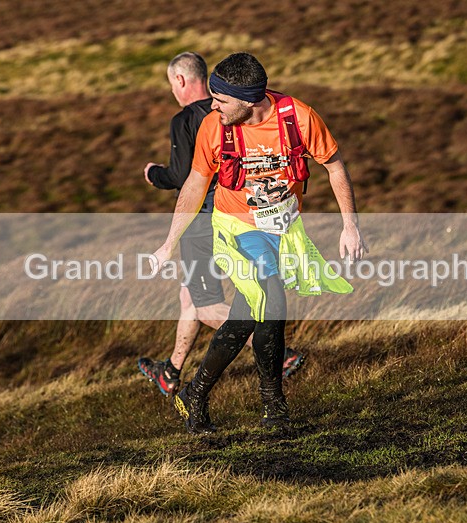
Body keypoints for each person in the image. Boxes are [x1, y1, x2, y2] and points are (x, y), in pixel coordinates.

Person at [150, 52, 367, 434]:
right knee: (272, 297)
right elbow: (195, 185)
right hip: (234, 228)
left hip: (283, 230)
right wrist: (169, 243)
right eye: (212, 98)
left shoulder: (298, 117)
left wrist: (350, 226)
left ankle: (194, 395)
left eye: (221, 100)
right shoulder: (214, 128)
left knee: (247, 315)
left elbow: (334, 166)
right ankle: (274, 406)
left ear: (250, 100)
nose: (212, 106)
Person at [138, 52, 304, 396]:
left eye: (171, 84)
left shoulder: (185, 120)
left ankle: (279, 354)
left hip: (203, 219)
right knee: (190, 296)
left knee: (204, 303)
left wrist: (155, 175)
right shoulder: (238, 112)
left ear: (181, 81)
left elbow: (184, 177)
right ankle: (170, 371)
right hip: (242, 213)